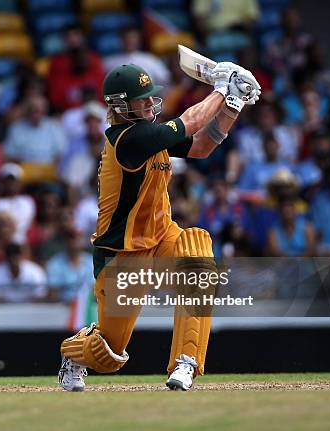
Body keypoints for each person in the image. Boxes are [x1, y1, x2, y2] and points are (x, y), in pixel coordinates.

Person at [57, 62, 261, 392]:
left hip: (162, 235)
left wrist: (232, 107)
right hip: (122, 253)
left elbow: (202, 146)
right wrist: (222, 89)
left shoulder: (149, 134)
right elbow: (191, 121)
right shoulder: (128, 139)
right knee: (109, 353)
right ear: (122, 106)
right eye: (143, 100)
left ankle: (186, 362)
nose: (151, 104)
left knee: (198, 252)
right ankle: (75, 353)